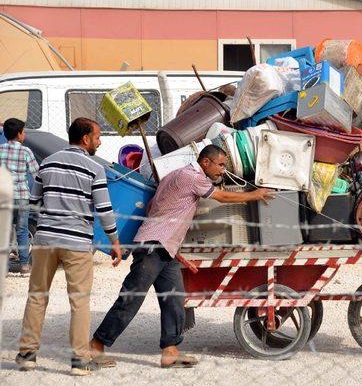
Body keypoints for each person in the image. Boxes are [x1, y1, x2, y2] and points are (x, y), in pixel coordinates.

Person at [90, 144, 274, 368]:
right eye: (221, 165)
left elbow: (151, 207)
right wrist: (255, 194)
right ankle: (95, 346)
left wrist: (175, 248)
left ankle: (170, 350)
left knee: (174, 300)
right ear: (205, 162)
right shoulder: (193, 176)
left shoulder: (173, 175)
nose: (223, 171)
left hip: (164, 248)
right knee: (131, 299)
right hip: (153, 247)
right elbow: (222, 197)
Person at [15, 118, 122, 376]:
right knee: (79, 301)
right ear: (85, 139)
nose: (100, 141)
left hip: (45, 241)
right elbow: (105, 211)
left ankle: (27, 355)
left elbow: (33, 202)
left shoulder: (47, 163)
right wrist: (115, 242)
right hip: (77, 243)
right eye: (97, 136)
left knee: (37, 297)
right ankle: (78, 362)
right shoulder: (94, 168)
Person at [0, 118, 39, 275]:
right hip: (22, 195)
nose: (25, 135)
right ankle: (24, 266)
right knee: (22, 229)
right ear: (19, 133)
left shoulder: (0, 150)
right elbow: (37, 174)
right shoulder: (26, 151)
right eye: (24, 132)